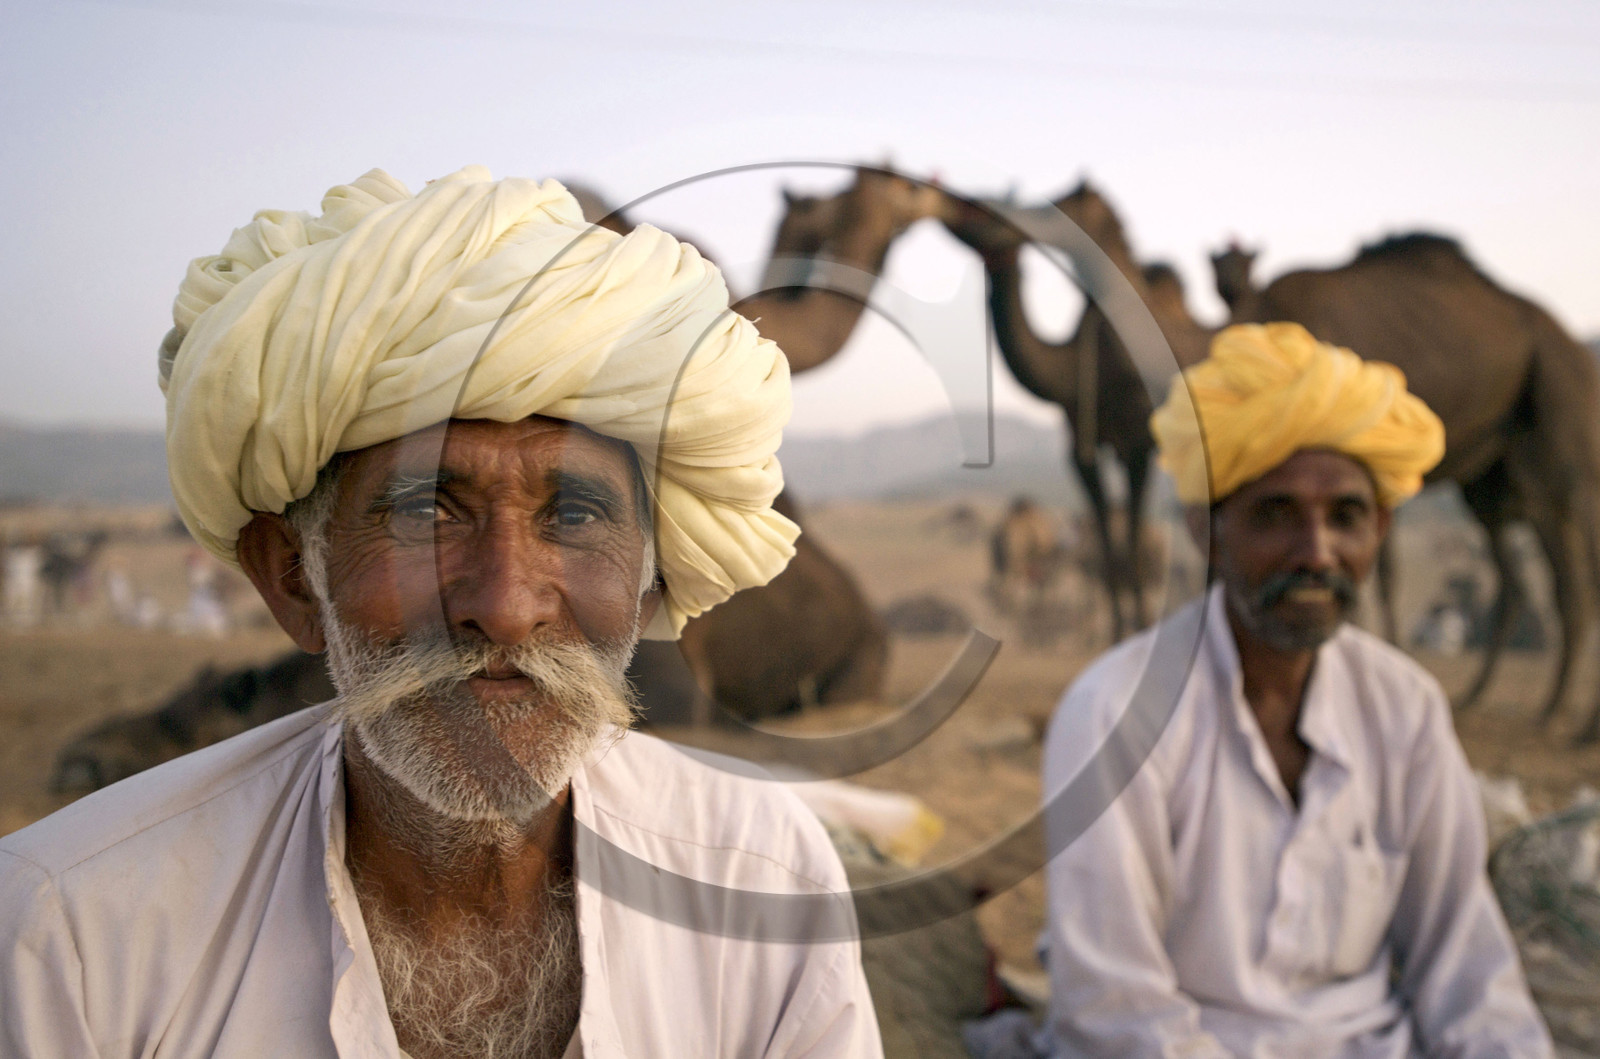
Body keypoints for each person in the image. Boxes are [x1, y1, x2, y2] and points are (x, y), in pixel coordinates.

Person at [0, 167, 881, 1058]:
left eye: (573, 514)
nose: (505, 604)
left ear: (649, 586)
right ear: (293, 578)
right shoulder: (74, 938)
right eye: (425, 510)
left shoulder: (767, 883)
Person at [1039, 323, 1552, 1057]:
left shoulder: (1404, 708)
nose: (1316, 552)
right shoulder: (1114, 712)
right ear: (1208, 531)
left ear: (1379, 528)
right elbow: (1115, 1009)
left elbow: (1465, 968)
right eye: (1276, 515)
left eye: (1344, 516)